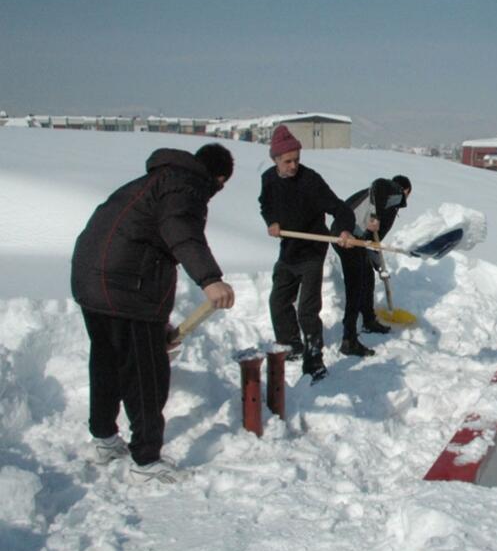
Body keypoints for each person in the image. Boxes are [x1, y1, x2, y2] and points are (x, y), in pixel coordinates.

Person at [71, 143, 236, 484]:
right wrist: (210, 279)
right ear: (218, 179)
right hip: (126, 286)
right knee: (146, 372)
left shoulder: (155, 180)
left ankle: (103, 440)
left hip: (91, 278)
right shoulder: (184, 186)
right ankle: (145, 461)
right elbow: (181, 231)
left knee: (107, 359)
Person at [259, 125, 357, 372]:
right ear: (276, 160)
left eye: (297, 160)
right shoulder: (269, 179)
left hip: (313, 248)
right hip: (289, 248)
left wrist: (344, 230)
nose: (293, 166)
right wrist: (271, 221)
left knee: (307, 309)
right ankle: (291, 345)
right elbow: (265, 205)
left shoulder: (310, 181)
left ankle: (314, 359)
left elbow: (340, 209)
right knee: (279, 300)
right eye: (288, 161)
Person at [332, 176, 411, 347]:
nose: (405, 200)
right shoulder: (389, 193)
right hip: (345, 237)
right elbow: (379, 184)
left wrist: (377, 264)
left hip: (358, 239)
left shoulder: (389, 203)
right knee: (356, 284)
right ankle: (349, 338)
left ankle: (368, 320)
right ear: (404, 191)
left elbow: (372, 241)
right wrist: (375, 216)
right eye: (406, 195)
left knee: (366, 277)